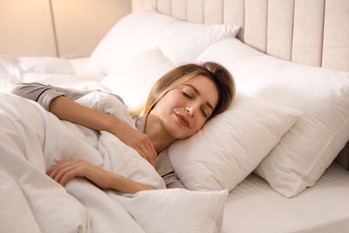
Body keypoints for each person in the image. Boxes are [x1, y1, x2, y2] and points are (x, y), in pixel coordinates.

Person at [12, 62, 235, 193]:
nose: (192, 110)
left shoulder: (165, 172)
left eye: (204, 112)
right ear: (162, 90)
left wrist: (102, 176)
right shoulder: (112, 109)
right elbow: (23, 91)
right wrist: (115, 126)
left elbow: (179, 204)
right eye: (187, 94)